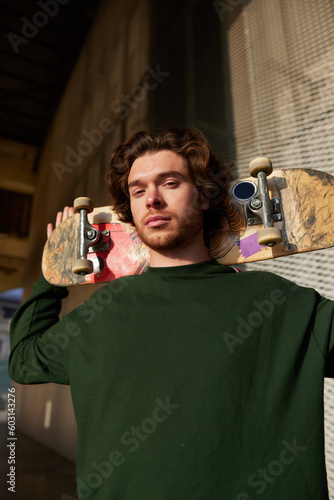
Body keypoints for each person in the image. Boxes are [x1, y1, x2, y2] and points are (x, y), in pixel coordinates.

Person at [8, 128, 334, 500]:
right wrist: (55, 270)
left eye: (170, 183)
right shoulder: (97, 316)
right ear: (128, 210)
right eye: (138, 190)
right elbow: (22, 360)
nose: (153, 200)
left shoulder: (277, 302)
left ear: (206, 195)